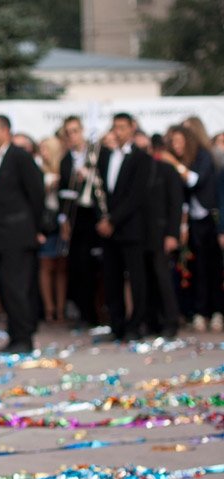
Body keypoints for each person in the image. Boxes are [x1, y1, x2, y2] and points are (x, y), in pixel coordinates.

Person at [0, 114, 45, 354]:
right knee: (7, 288)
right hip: (1, 235)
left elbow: (36, 192)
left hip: (17, 235)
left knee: (18, 287)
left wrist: (35, 227)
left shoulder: (18, 156)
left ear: (5, 131)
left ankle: (23, 337)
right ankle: (15, 335)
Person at [96, 113, 152, 341]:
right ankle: (117, 324)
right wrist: (103, 219)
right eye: (115, 127)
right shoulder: (106, 156)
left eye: (122, 127)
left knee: (136, 278)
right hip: (108, 230)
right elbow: (101, 192)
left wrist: (113, 220)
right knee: (112, 278)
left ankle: (135, 324)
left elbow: (136, 196)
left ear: (132, 129)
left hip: (130, 228)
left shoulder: (140, 158)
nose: (117, 132)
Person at [161, 124, 221, 332]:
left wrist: (175, 165)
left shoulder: (203, 156)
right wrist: (184, 225)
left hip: (210, 218)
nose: (175, 146)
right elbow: (182, 196)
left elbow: (195, 181)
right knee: (196, 267)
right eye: (173, 142)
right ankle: (199, 311)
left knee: (213, 267)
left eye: (179, 141)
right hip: (193, 221)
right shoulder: (182, 162)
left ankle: (216, 311)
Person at [58, 115, 107, 328]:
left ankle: (101, 313)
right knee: (79, 267)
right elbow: (64, 192)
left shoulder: (95, 154)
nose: (72, 136)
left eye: (75, 131)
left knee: (98, 267)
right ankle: (85, 314)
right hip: (76, 218)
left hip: (93, 217)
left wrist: (89, 175)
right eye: (68, 132)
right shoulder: (66, 160)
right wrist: (64, 220)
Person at [142, 134, 184, 337]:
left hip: (162, 233)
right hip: (144, 234)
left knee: (163, 278)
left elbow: (176, 204)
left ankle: (171, 321)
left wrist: (172, 234)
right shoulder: (142, 172)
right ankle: (153, 321)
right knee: (148, 278)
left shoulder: (168, 171)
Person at [37, 136, 69, 324]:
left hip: (61, 222)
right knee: (46, 266)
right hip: (46, 224)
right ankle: (49, 308)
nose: (44, 153)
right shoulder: (38, 171)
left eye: (47, 149)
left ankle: (61, 308)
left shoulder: (64, 169)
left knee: (61, 267)